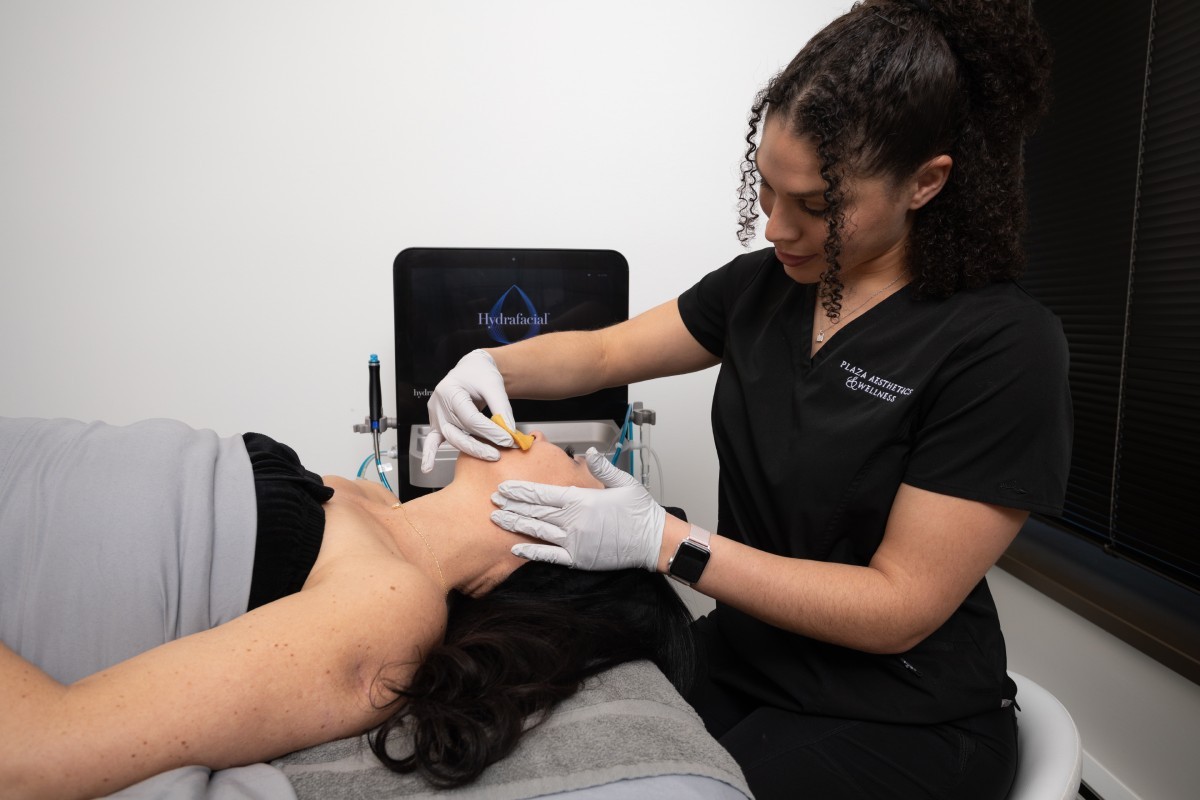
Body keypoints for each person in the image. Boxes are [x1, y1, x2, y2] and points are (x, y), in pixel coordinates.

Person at [419, 1, 1071, 798]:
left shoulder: (1002, 347)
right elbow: (602, 351)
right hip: (746, 659)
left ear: (926, 184)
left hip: (901, 711)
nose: (778, 228)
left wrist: (665, 542)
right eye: (765, 190)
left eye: (820, 207)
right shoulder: (765, 291)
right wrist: (488, 363)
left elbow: (900, 606)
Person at [0, 417, 693, 798]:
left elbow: (34, 754)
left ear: (553, 548)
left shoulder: (396, 606)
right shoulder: (371, 502)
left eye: (581, 473)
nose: (573, 450)